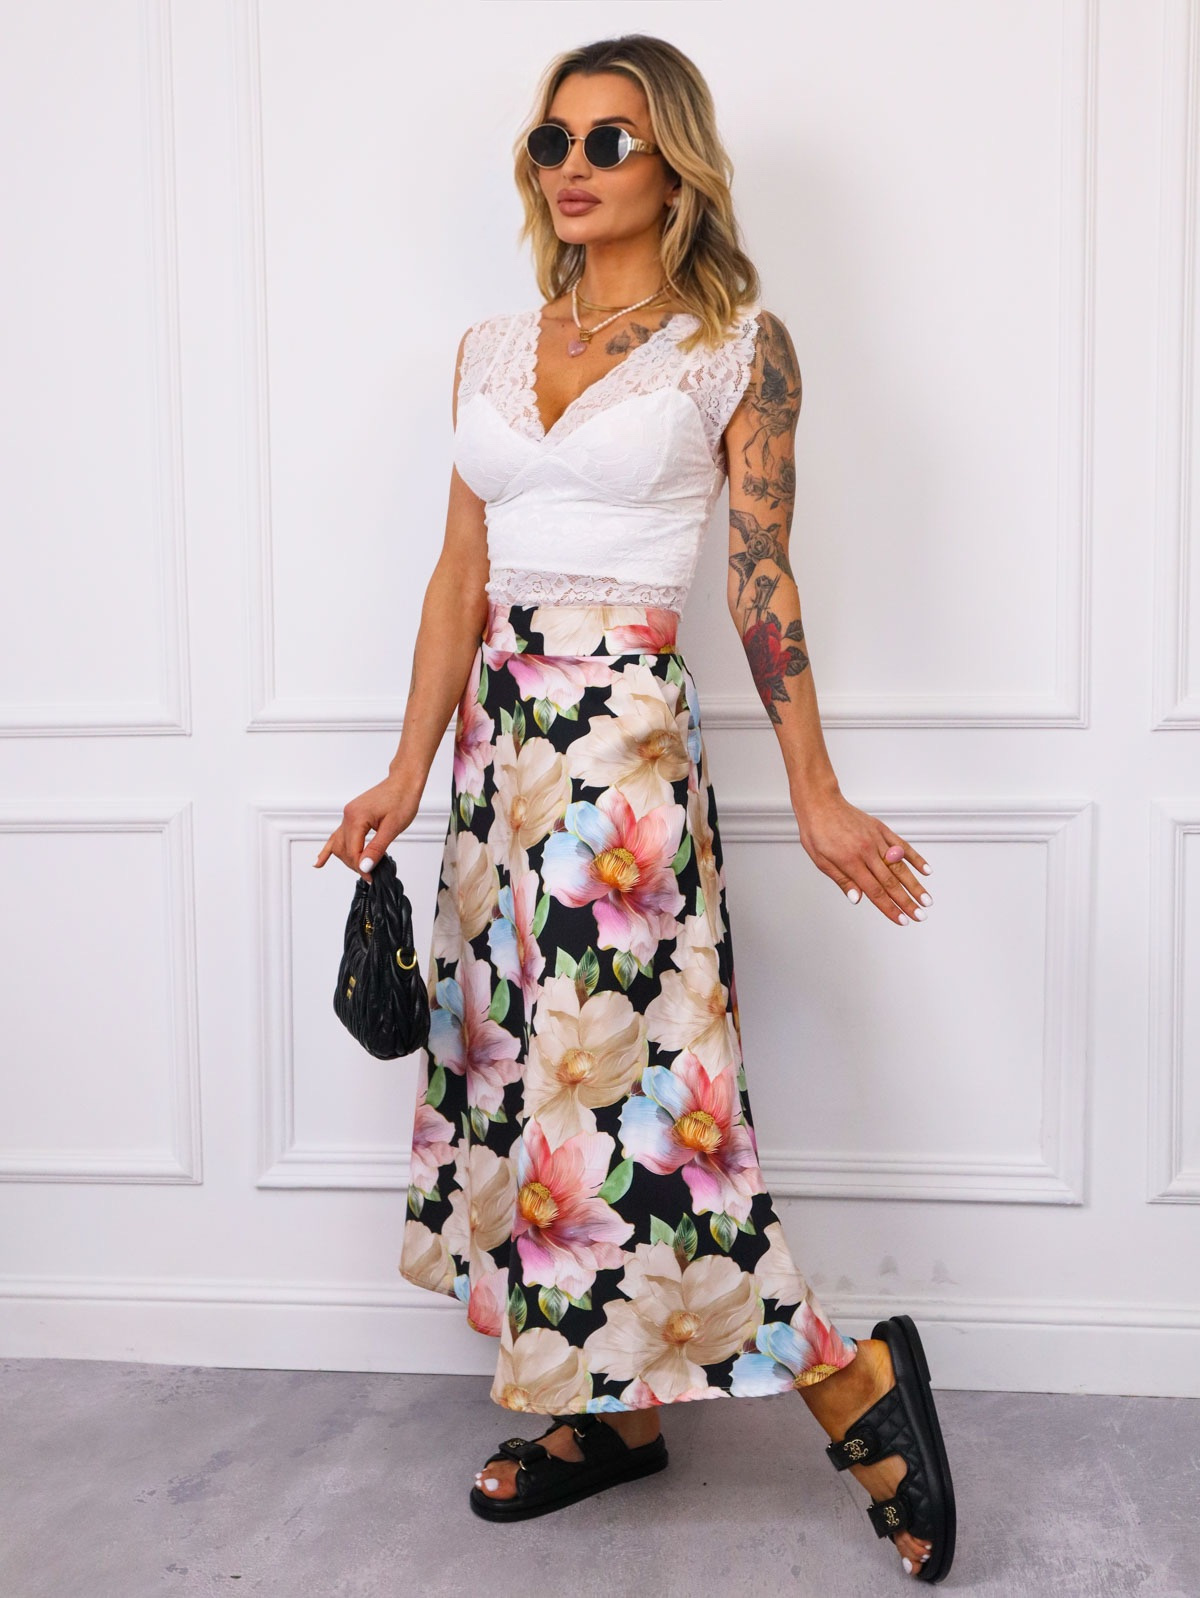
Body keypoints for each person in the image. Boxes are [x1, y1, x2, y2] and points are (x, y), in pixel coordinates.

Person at [316, 32, 955, 1585]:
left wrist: (817, 791)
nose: (576, 168)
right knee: (536, 1096)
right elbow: (459, 577)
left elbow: (760, 577)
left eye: (610, 140)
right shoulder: (487, 348)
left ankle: (857, 1381)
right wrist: (403, 772)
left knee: (657, 1108)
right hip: (496, 771)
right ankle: (612, 1413)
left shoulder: (736, 348)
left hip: (624, 766)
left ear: (676, 164)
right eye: (555, 141)